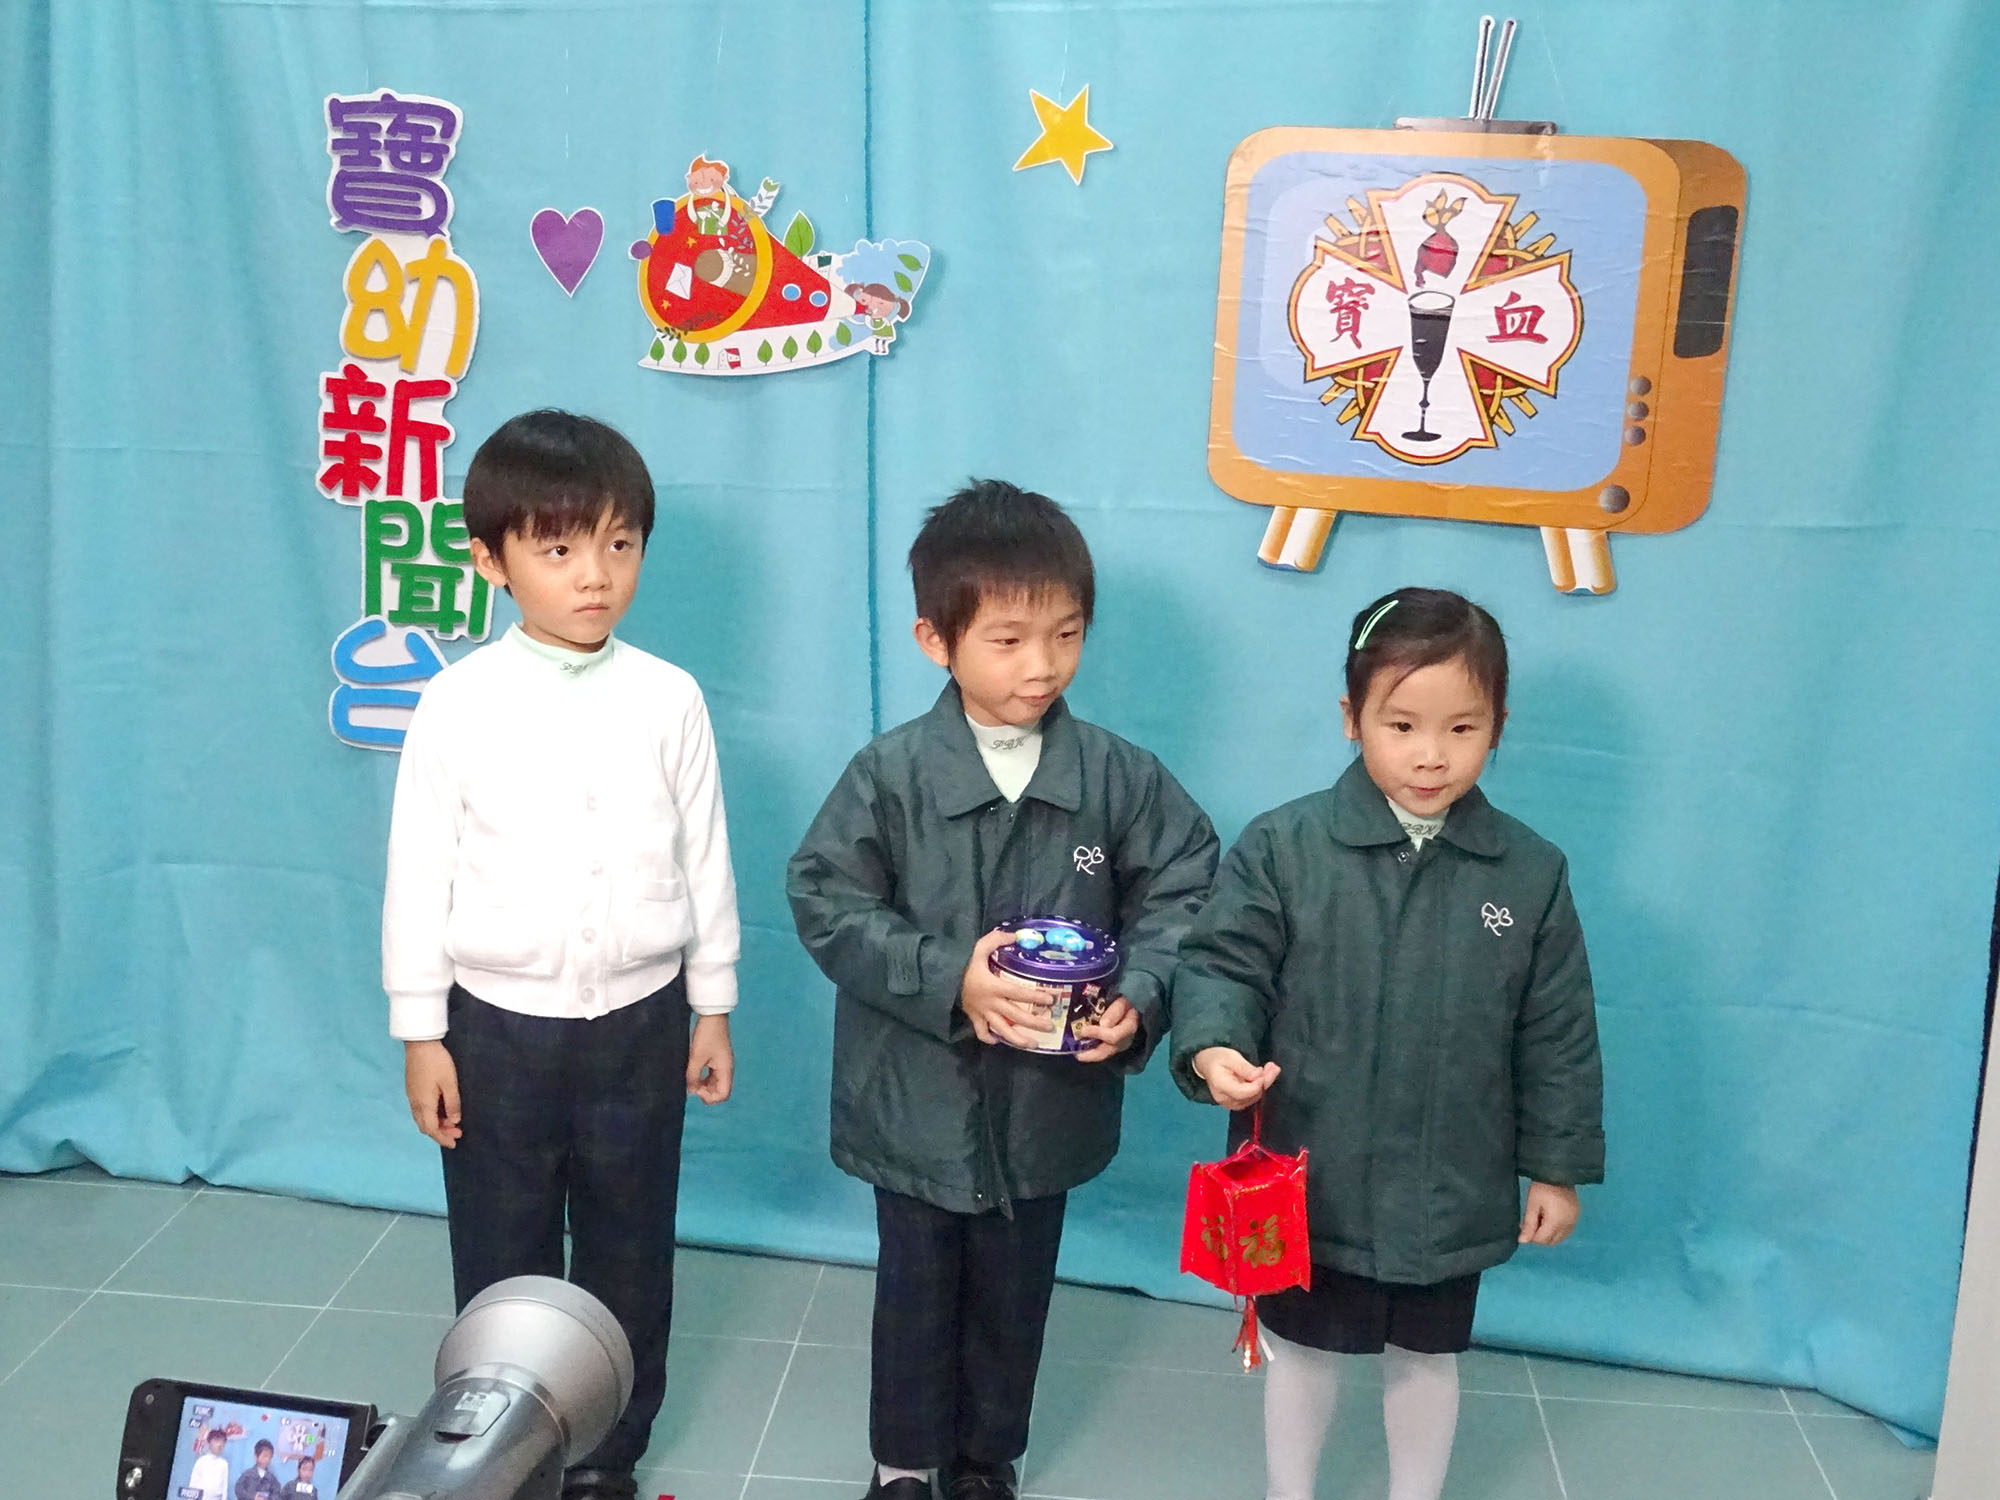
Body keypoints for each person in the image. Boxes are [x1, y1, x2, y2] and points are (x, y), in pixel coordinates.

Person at [787, 480, 1218, 1500]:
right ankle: (903, 1464)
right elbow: (824, 899)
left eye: (1065, 636)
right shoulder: (889, 775)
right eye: (1009, 641)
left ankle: (988, 1462)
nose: (1042, 666)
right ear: (935, 641)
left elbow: (1189, 886)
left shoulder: (1118, 777)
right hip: (915, 1103)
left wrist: (1143, 993)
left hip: (1045, 1106)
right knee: (917, 1292)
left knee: (1014, 1297)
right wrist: (951, 980)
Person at [1172, 587, 1604, 1500]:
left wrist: (1556, 1168)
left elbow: (1557, 1031)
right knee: (1302, 1351)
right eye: (1401, 725)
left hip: (1453, 1184)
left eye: (1462, 728)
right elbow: (1222, 963)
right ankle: (1290, 1491)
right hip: (1313, 1169)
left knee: (1427, 1357)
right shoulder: (1285, 847)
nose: (1430, 754)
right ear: (1351, 718)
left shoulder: (1530, 872)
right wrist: (1213, 1047)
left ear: (1499, 727)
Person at [384, 410, 742, 1500]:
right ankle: (506, 1446)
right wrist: (422, 1032)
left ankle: (608, 1454)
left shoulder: (668, 696)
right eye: (558, 547)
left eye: (619, 544)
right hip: (495, 1029)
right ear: (490, 561)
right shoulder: (457, 703)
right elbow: (418, 874)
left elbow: (705, 856)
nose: (594, 574)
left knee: (631, 1242)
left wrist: (712, 1003)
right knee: (503, 1247)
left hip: (640, 1021)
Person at [187, 1425, 230, 1500]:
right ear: (209, 1442)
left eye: (223, 1442)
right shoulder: (201, 1461)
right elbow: (193, 1483)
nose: (220, 1445)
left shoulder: (224, 1464)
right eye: (217, 1441)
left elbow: (224, 1487)